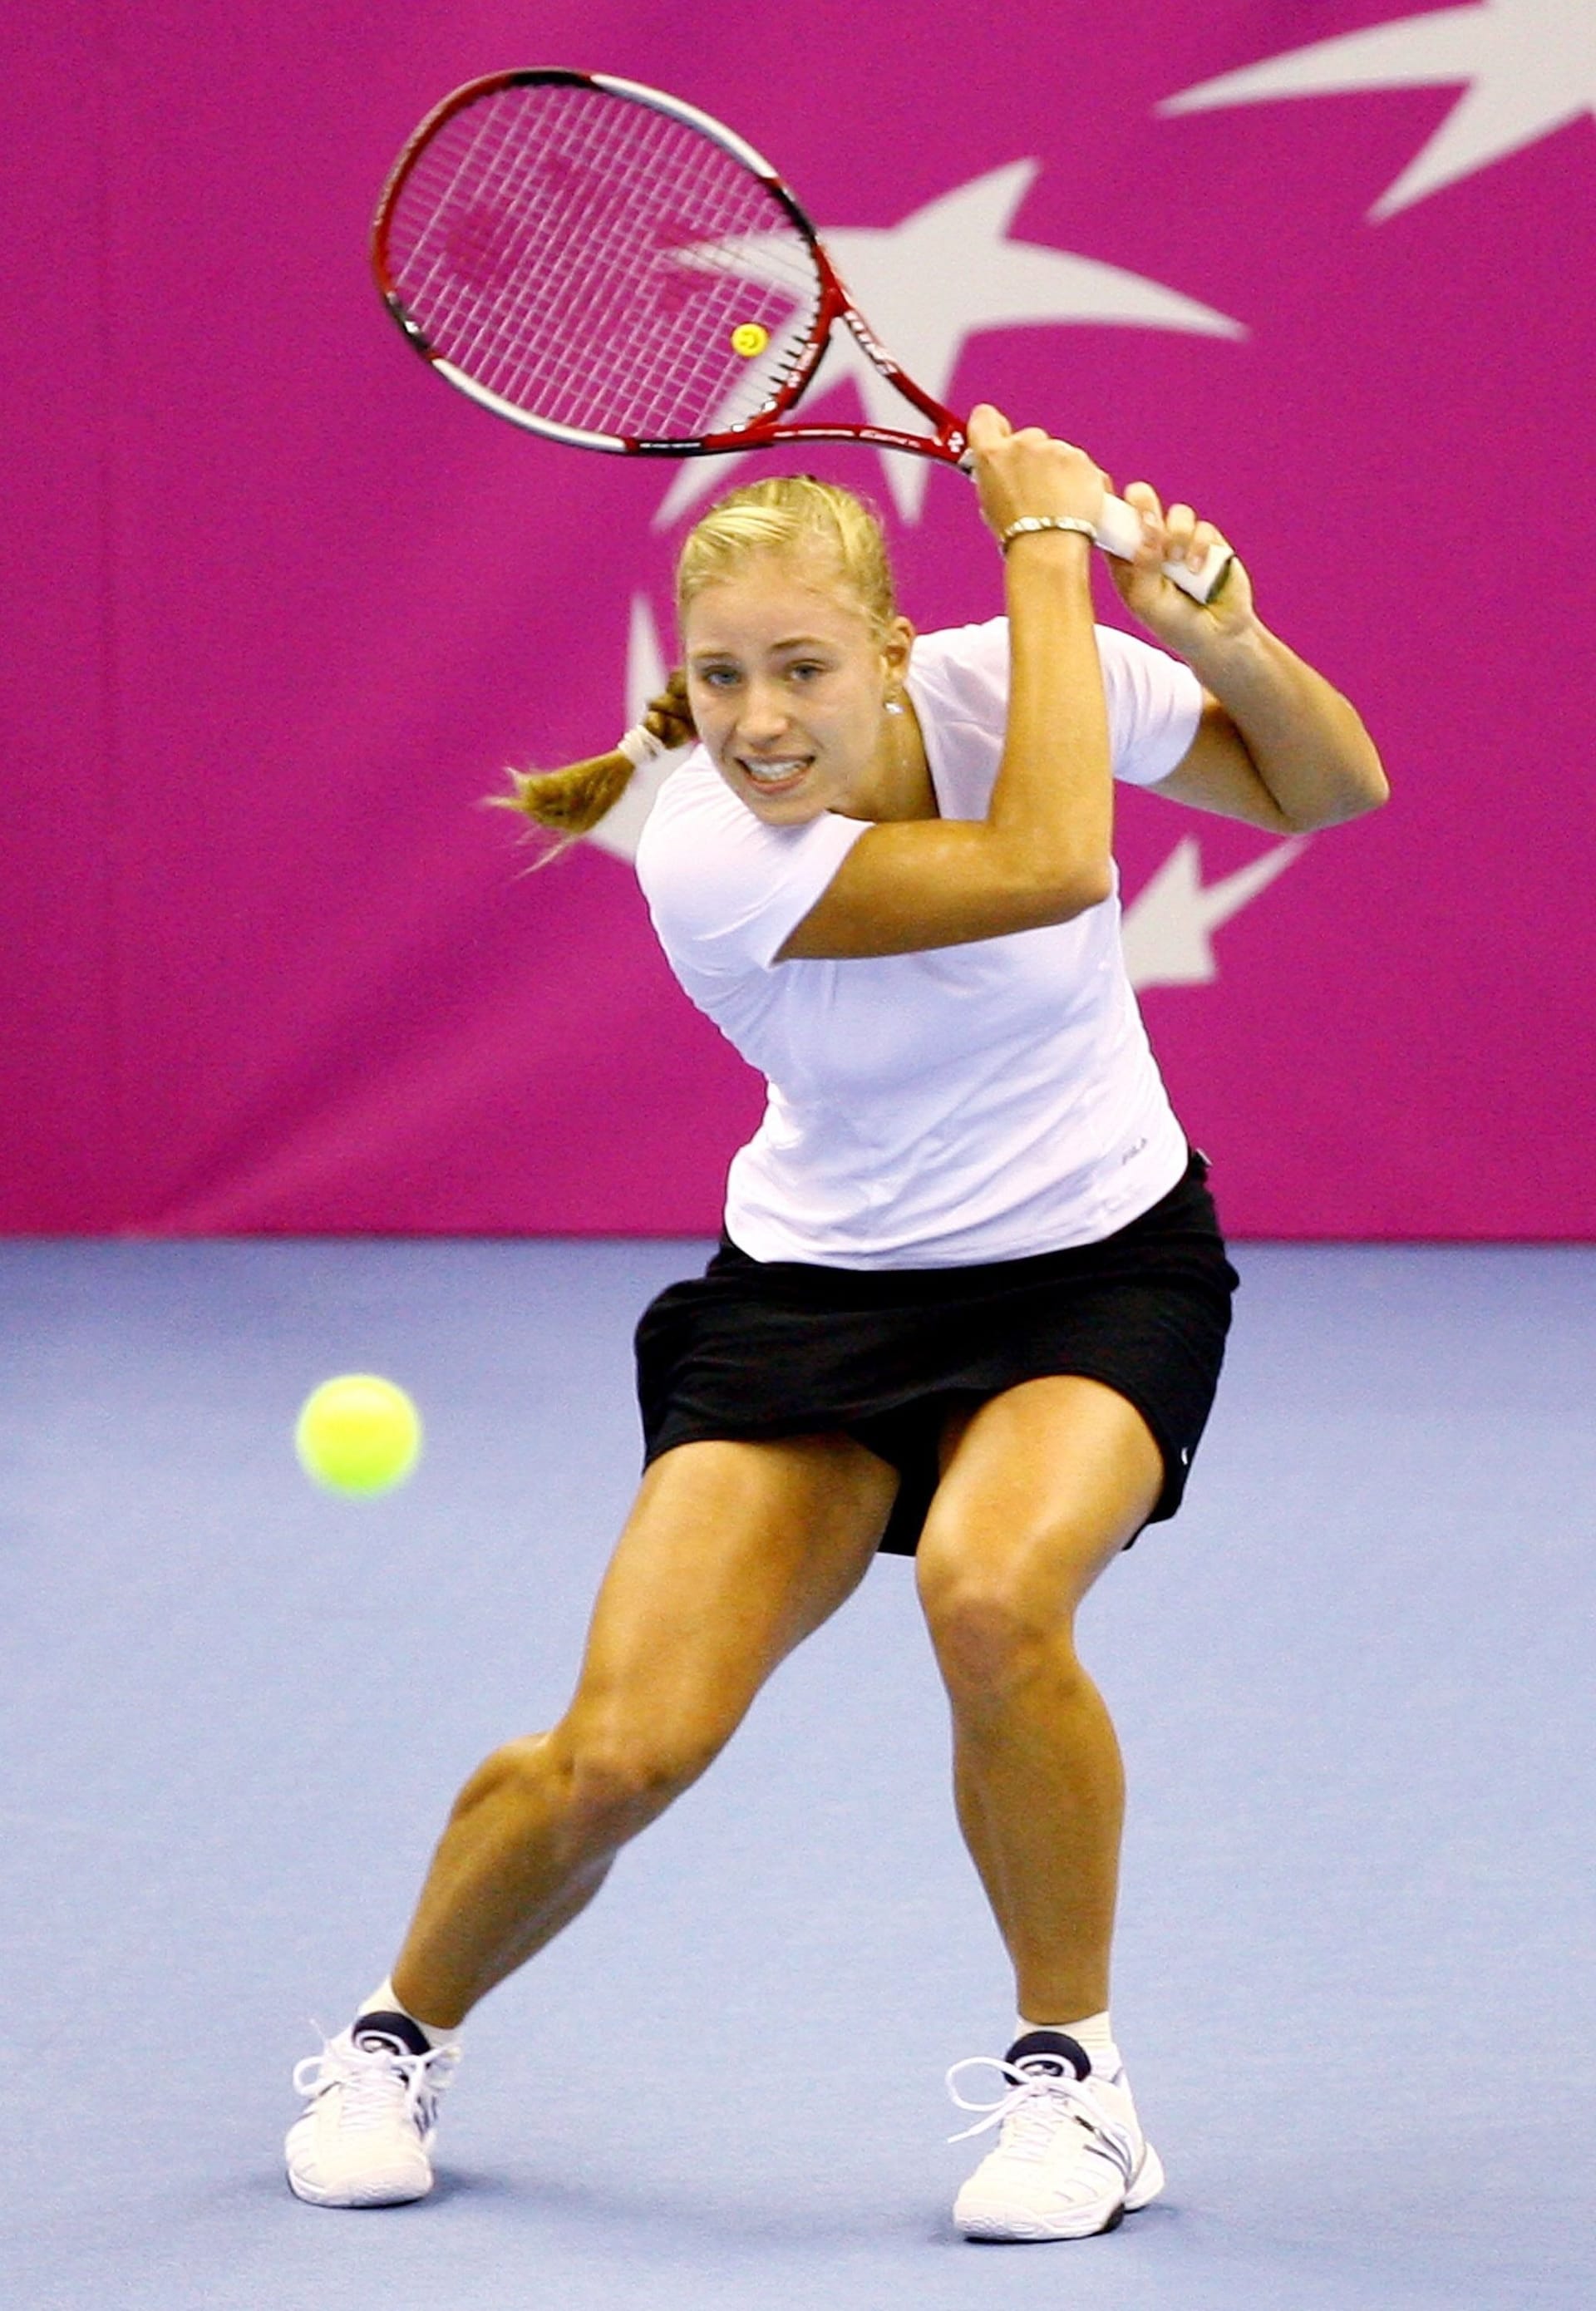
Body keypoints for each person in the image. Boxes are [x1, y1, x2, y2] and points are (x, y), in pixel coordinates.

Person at [284, 407, 1387, 2237]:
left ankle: (1074, 2086)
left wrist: (1220, 643)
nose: (760, 717)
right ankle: (397, 2029)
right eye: (719, 676)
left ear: (890, 652)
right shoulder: (709, 856)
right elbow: (1050, 865)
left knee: (990, 1591)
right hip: (812, 1307)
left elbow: (1327, 786)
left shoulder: (1011, 682)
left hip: (1098, 1268)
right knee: (620, 1754)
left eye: (803, 666)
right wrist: (1045, 547)